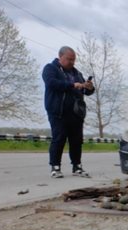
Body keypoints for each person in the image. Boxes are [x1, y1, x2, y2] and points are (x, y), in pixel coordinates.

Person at [42, 46, 94, 178]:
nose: (72, 62)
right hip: (58, 111)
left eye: (73, 60)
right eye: (69, 59)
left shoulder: (77, 73)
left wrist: (89, 87)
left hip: (76, 112)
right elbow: (52, 83)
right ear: (60, 57)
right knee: (59, 138)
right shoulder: (50, 68)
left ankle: (77, 166)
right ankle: (55, 167)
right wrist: (72, 85)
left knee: (76, 140)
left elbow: (85, 91)